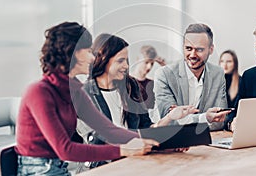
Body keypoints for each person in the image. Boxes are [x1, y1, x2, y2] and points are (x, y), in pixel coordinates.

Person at [15, 22, 159, 176]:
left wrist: (155, 144)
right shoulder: (39, 92)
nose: (92, 58)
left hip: (58, 167)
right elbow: (66, 150)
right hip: (36, 170)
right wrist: (123, 150)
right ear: (73, 52)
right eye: (89, 51)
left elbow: (108, 130)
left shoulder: (74, 91)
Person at [76, 33, 198, 170]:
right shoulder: (84, 94)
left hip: (134, 163)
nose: (126, 66)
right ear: (104, 59)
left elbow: (145, 127)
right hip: (102, 167)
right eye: (120, 61)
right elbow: (100, 139)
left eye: (127, 60)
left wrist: (170, 132)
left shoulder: (131, 86)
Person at [154, 23, 230, 131]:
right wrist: (205, 118)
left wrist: (186, 120)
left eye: (199, 50)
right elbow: (169, 121)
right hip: (172, 142)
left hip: (206, 142)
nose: (193, 55)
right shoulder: (164, 75)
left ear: (211, 49)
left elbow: (220, 120)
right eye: (188, 48)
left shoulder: (217, 74)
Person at [131, 45, 166, 109]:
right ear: (138, 59)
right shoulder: (126, 82)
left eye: (152, 63)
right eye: (146, 62)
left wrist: (165, 68)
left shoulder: (152, 84)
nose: (149, 67)